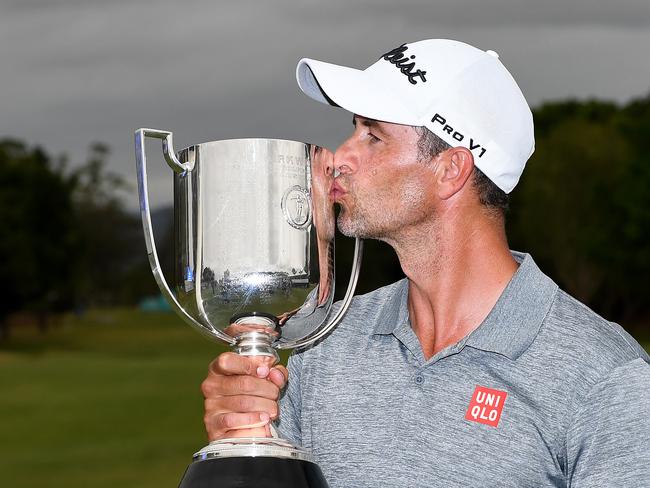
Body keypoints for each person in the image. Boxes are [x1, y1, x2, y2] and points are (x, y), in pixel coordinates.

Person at [200, 39, 650, 487]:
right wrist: (243, 448)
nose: (339, 158)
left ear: (451, 170)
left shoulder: (606, 379)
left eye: (372, 136)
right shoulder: (324, 345)